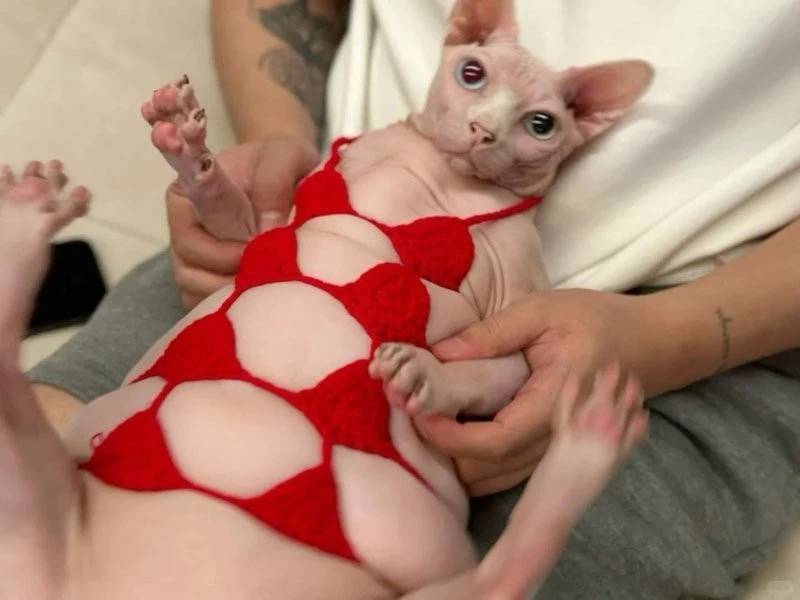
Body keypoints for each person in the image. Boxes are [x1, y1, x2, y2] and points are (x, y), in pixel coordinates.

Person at [28, 0, 800, 598]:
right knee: (48, 461)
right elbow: (260, 230)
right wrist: (237, 156)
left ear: (584, 122)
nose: (486, 129)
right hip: (262, 311)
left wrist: (455, 382)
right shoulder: (359, 151)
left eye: (537, 124)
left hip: (690, 313)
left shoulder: (511, 245)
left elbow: (506, 359)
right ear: (460, 33)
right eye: (474, 78)